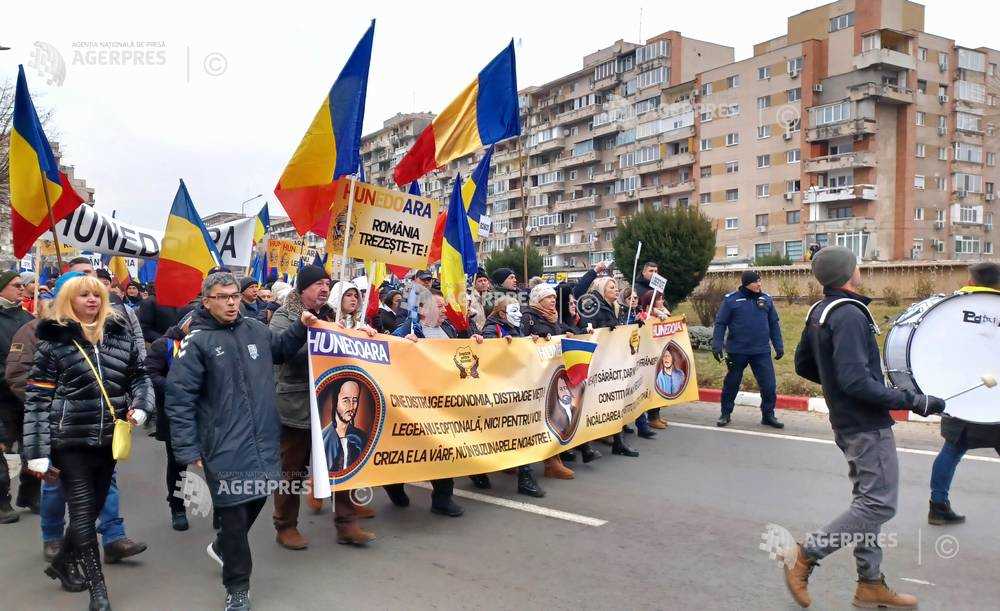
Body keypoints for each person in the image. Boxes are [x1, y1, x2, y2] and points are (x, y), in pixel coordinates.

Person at [785, 246, 946, 609]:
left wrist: (837, 384)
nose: (860, 268)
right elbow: (857, 381)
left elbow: (804, 366)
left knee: (868, 502)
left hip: (846, 421)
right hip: (866, 425)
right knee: (878, 505)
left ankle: (870, 584)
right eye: (856, 264)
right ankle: (806, 554)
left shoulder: (819, 310)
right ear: (848, 273)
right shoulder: (849, 314)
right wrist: (914, 401)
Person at [166, 271, 315, 611]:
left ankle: (222, 546)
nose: (231, 302)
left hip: (263, 437)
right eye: (222, 296)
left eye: (234, 295)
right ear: (207, 301)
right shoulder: (197, 342)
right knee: (233, 516)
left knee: (258, 497)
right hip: (224, 446)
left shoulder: (256, 329)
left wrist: (302, 326)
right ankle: (237, 586)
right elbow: (179, 399)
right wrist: (188, 449)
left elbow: (280, 349)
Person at [23, 273, 153, 610]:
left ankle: (62, 563)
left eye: (96, 295)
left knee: (93, 507)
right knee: (82, 516)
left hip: (108, 439)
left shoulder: (120, 336)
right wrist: (36, 452)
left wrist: (141, 406)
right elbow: (37, 398)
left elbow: (139, 376)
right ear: (69, 301)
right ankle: (99, 592)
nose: (92, 300)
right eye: (83, 295)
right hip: (69, 441)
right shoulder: (53, 343)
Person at [269, 266, 375, 551]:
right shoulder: (284, 316)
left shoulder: (332, 317)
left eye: (327, 284)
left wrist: (361, 337)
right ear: (302, 289)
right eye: (317, 284)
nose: (325, 289)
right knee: (292, 470)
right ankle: (286, 526)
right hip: (297, 405)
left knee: (342, 461)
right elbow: (278, 351)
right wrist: (304, 329)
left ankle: (346, 523)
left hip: (329, 402)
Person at [388, 288, 479, 516]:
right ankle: (393, 483)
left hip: (445, 403)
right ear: (421, 309)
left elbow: (460, 354)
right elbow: (388, 360)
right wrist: (401, 344)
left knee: (443, 449)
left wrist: (475, 342)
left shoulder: (447, 329)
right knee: (410, 450)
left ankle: (442, 498)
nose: (444, 310)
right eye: (439, 306)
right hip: (416, 403)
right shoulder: (406, 331)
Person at [928, 261, 1000, 525]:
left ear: (971, 281)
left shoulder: (951, 310)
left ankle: (937, 505)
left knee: (952, 450)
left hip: (961, 396)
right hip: (996, 402)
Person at [712, 270, 785, 429]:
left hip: (761, 351)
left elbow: (774, 324)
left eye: (760, 281)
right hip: (737, 351)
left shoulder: (766, 299)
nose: (759, 284)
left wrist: (778, 345)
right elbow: (720, 323)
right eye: (756, 281)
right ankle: (725, 413)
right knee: (732, 383)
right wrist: (717, 344)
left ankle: (768, 415)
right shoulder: (732, 300)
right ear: (747, 283)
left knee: (769, 385)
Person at [581, 277, 641, 456]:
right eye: (612, 287)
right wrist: (605, 329)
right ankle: (585, 446)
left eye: (616, 287)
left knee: (615, 399)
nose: (616, 290)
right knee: (592, 404)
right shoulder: (592, 305)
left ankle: (618, 441)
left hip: (611, 361)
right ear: (601, 289)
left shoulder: (612, 307)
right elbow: (588, 329)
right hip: (598, 363)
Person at [145, 313, 194, 531]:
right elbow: (149, 373)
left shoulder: (208, 341)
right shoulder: (163, 345)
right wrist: (175, 387)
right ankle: (177, 506)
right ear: (185, 323)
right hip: (174, 414)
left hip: (206, 413)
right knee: (178, 464)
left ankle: (221, 510)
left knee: (214, 462)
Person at [0, 271, 35, 523]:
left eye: (23, 285)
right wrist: (10, 379)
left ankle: (31, 494)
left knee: (32, 446)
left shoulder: (29, 319)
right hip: (2, 396)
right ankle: (2, 502)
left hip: (28, 393)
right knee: (2, 447)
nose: (22, 289)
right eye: (16, 286)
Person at [639, 291, 671, 430]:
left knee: (659, 384)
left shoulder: (663, 313)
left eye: (662, 299)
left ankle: (656, 415)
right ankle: (651, 417)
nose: (662, 301)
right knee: (651, 386)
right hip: (649, 356)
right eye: (659, 299)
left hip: (659, 354)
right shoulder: (646, 316)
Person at [468, 268, 491, 333]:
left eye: (485, 280)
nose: (483, 283)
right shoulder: (469, 297)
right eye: (480, 281)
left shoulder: (492, 297)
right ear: (474, 284)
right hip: (476, 332)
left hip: (489, 332)